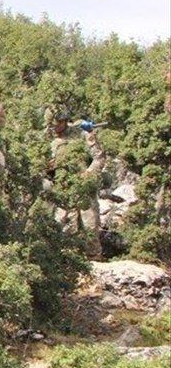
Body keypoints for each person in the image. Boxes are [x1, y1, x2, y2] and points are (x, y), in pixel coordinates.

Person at [47, 110, 105, 258]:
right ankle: (69, 260)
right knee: (64, 225)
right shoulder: (48, 139)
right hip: (62, 187)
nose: (55, 128)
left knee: (90, 225)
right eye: (52, 125)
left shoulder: (81, 134)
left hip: (84, 186)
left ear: (64, 121)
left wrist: (88, 174)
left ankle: (94, 259)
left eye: (58, 124)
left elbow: (99, 157)